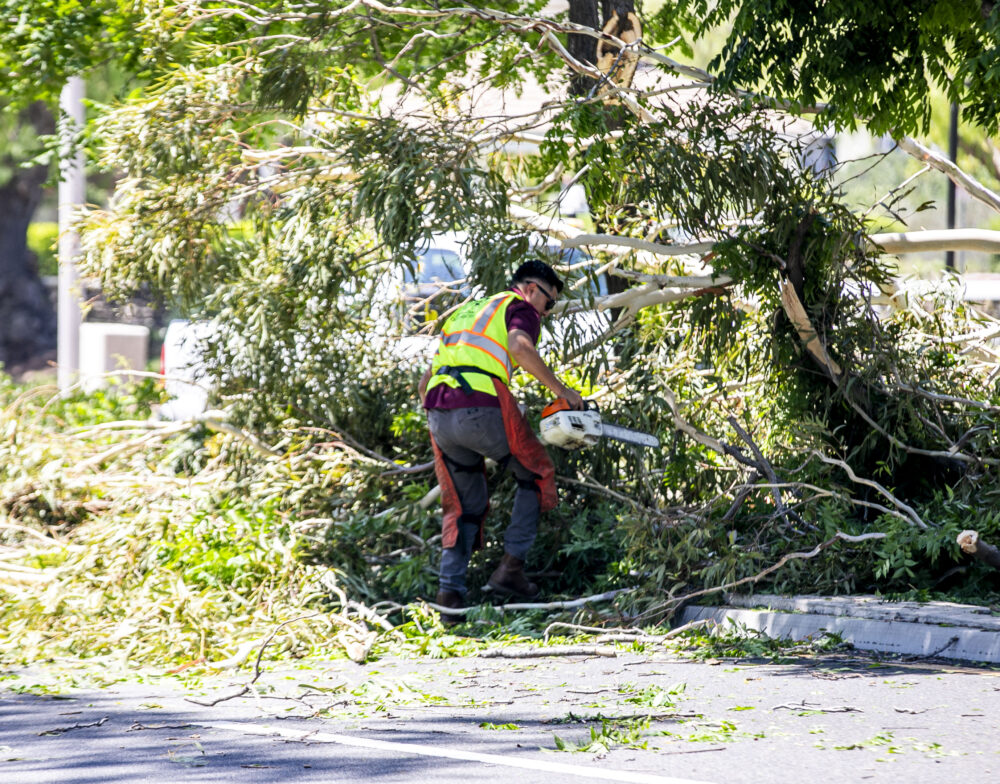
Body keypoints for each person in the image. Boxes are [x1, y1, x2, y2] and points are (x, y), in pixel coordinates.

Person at [418, 259, 584, 617]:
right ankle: (510, 570)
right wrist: (563, 392)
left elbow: (424, 382)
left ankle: (450, 598)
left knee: (465, 504)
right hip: (478, 406)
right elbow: (521, 348)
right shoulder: (520, 308)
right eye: (549, 302)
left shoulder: (465, 313)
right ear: (531, 289)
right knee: (536, 474)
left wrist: (447, 419)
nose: (547, 312)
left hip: (439, 414)